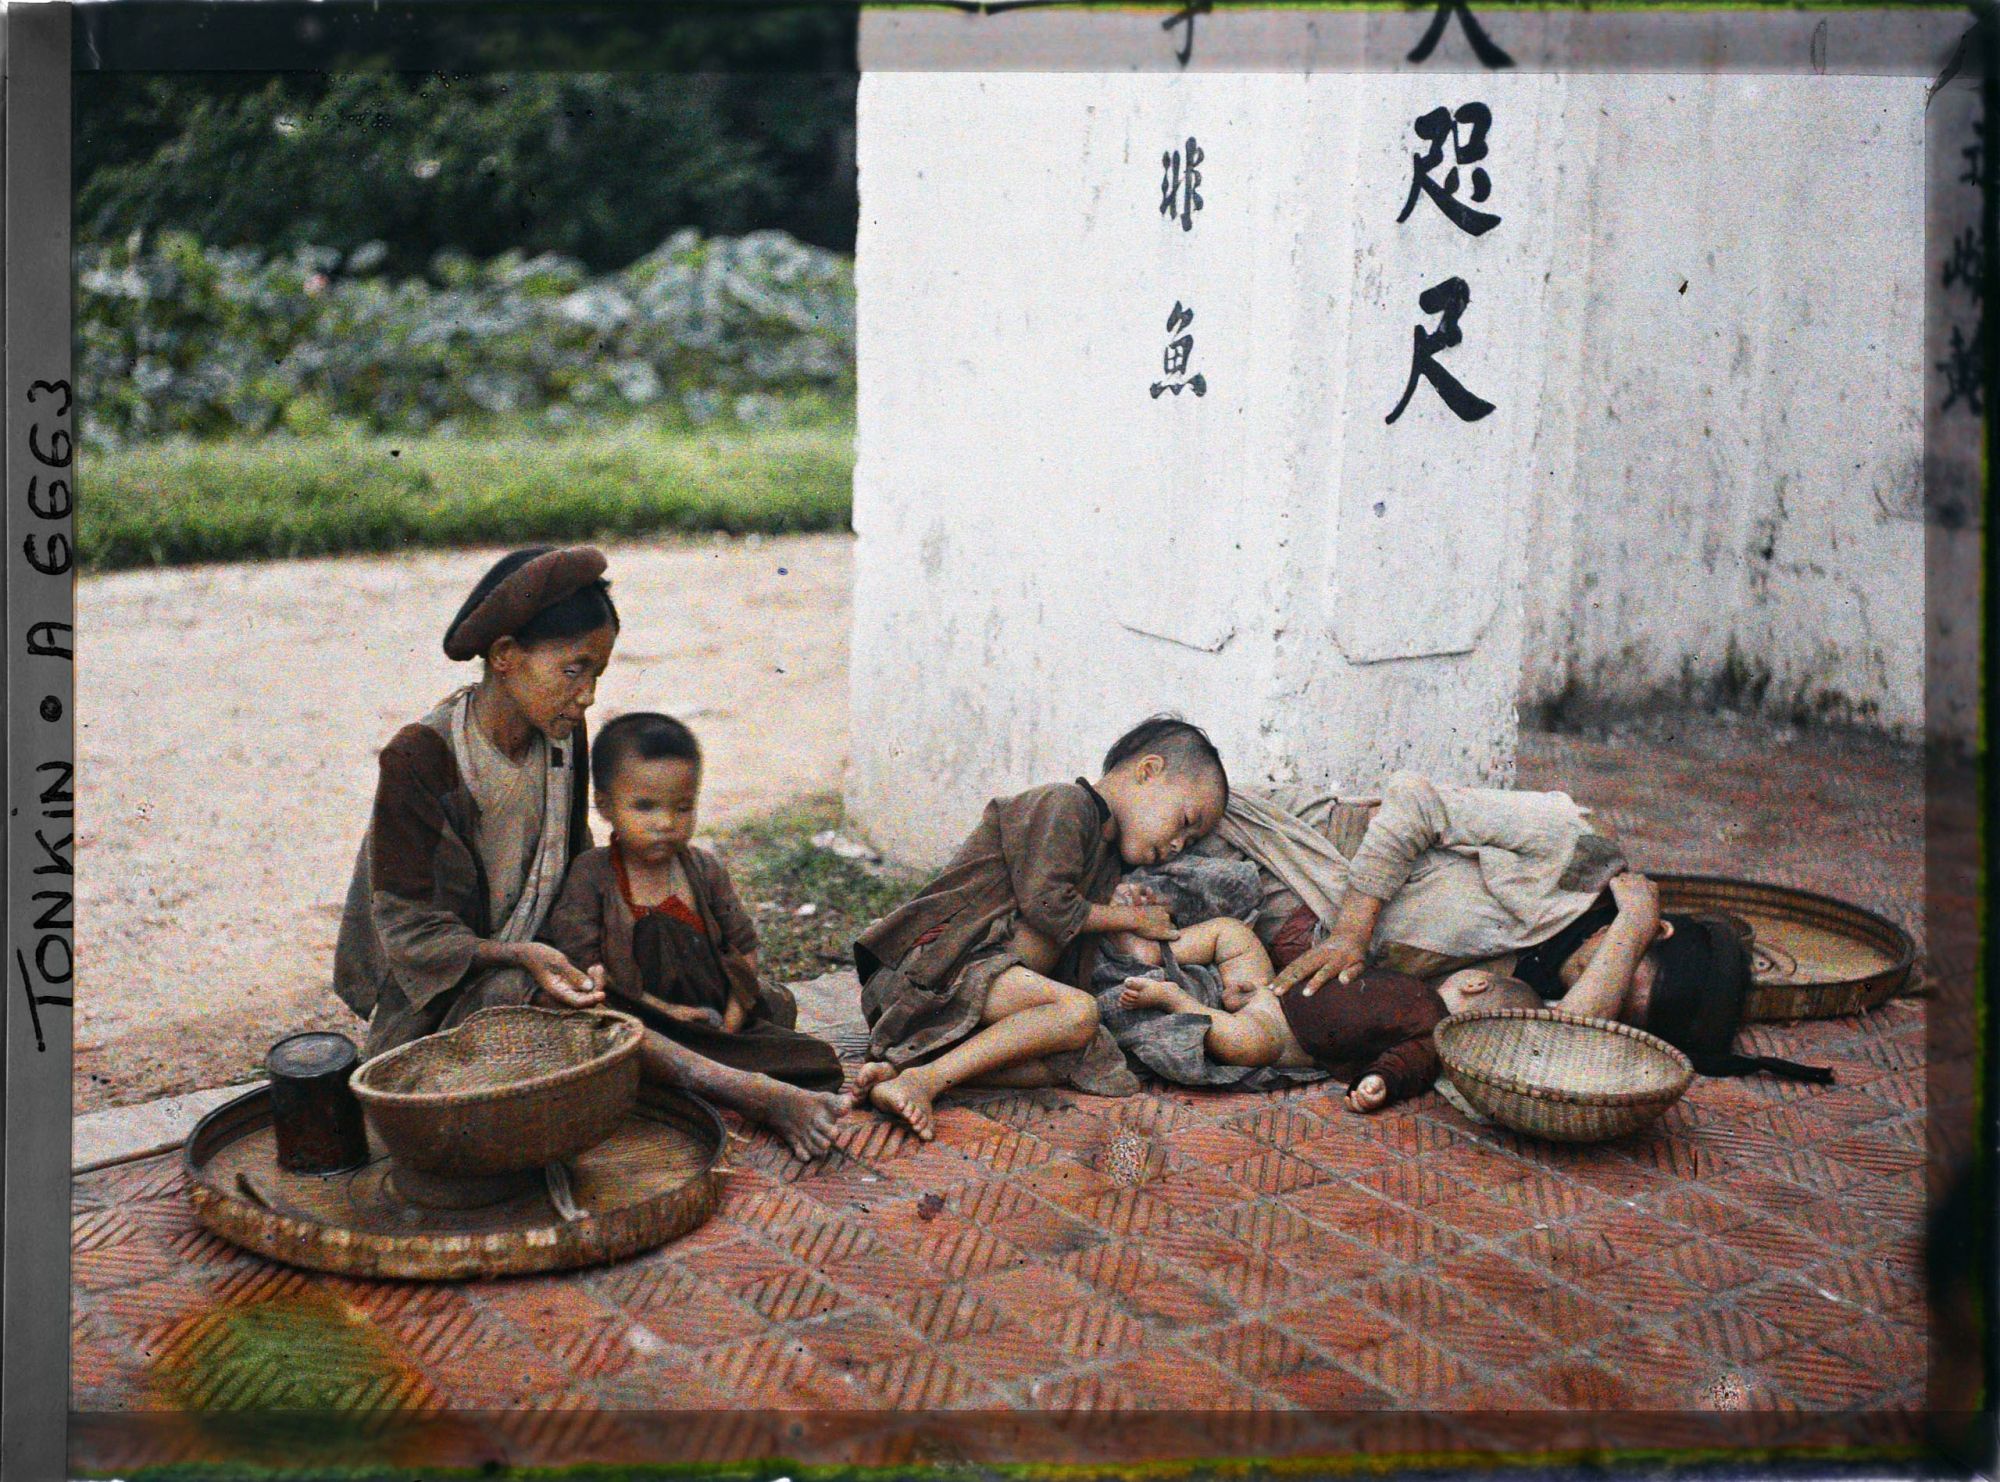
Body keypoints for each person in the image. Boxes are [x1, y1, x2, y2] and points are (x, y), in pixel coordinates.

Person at [333, 547, 858, 1159]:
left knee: (752, 1006)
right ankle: (750, 1091)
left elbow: (570, 865)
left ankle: (654, 1062)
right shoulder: (422, 758)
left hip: (545, 960)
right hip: (455, 993)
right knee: (542, 1007)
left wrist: (589, 953)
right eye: (574, 670)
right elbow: (409, 935)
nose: (586, 697)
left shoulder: (560, 734)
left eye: (597, 675)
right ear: (505, 657)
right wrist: (523, 956)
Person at [1211, 772, 1829, 1082]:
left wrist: (1630, 934)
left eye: (1624, 1014)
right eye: (1629, 972)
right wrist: (1351, 932)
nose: (1609, 995)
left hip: (1270, 936)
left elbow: (1555, 1043)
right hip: (1297, 853)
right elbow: (1415, 798)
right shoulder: (1574, 851)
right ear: (1659, 935)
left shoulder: (1548, 1004)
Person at [853, 716, 1230, 1139]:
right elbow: (1048, 905)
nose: (1180, 844)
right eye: (1185, 820)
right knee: (1076, 1013)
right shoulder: (1065, 804)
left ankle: (905, 1065)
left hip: (985, 996)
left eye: (1192, 841)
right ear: (1148, 770)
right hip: (936, 969)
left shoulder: (1106, 859)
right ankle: (921, 1082)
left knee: (1064, 1062)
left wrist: (1120, 908)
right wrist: (1131, 918)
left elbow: (1076, 930)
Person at [544, 712, 850, 1093]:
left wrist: (732, 1021)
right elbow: (585, 971)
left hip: (717, 1023)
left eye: (683, 807)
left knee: (817, 1061)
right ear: (605, 806)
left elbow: (743, 948)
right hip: (645, 1022)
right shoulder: (592, 874)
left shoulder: (703, 869)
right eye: (645, 806)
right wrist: (668, 1012)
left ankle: (716, 1073)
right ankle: (714, 1079)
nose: (666, 822)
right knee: (615, 1056)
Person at [1111, 912, 1446, 1112]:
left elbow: (1409, 1064)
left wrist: (1380, 1081)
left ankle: (1177, 1001)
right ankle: (1158, 950)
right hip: (1269, 988)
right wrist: (1257, 991)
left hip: (1279, 1035)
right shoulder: (1416, 986)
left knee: (1241, 1044)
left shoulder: (1435, 1033)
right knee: (1233, 933)